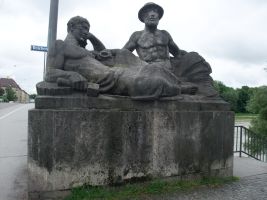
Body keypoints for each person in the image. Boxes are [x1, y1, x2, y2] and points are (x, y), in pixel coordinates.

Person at [44, 16, 187, 100]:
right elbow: (49, 73)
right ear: (71, 28)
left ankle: (181, 86)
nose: (86, 32)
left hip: (117, 72)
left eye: (88, 29)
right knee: (154, 83)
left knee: (155, 69)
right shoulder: (60, 45)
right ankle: (179, 90)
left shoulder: (85, 51)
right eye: (83, 28)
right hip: (110, 81)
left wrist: (92, 37)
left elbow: (102, 51)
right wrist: (71, 75)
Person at [123, 2, 218, 97]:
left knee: (194, 57)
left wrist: (190, 57)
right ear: (143, 17)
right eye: (148, 12)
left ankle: (184, 84)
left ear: (159, 17)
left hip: (169, 69)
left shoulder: (165, 34)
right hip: (150, 72)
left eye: (155, 12)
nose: (152, 14)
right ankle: (179, 88)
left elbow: (177, 53)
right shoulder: (136, 36)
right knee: (153, 75)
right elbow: (123, 53)